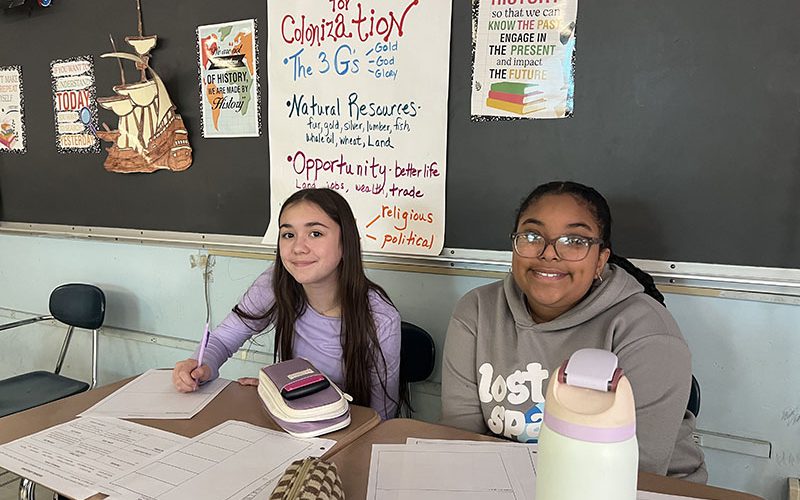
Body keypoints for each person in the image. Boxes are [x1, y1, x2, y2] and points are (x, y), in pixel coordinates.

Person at [440, 181, 707, 482]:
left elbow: (635, 473)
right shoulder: (476, 311)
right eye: (532, 236)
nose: (549, 254)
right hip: (503, 483)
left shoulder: (648, 333)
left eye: (575, 241)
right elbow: (460, 438)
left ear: (601, 260)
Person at [172, 188, 401, 419]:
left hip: (345, 432)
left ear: (345, 242)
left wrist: (295, 397)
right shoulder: (276, 282)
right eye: (288, 235)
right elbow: (224, 338)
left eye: (315, 234)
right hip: (291, 421)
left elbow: (380, 418)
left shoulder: (381, 317)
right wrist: (200, 366)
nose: (298, 248)